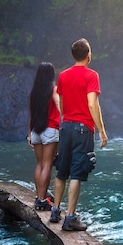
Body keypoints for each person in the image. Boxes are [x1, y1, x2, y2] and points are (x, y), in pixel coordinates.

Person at [50, 38, 108, 231]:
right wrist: (101, 130)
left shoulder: (63, 76)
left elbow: (62, 102)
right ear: (88, 55)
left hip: (65, 126)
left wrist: (65, 120)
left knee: (61, 170)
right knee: (77, 172)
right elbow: (92, 103)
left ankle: (55, 211)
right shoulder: (92, 75)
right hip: (83, 129)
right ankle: (71, 218)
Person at [27, 62, 60, 211]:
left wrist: (29, 134)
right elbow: (59, 106)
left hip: (36, 131)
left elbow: (31, 115)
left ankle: (39, 197)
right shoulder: (53, 89)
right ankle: (42, 200)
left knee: (40, 164)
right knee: (47, 165)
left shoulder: (34, 93)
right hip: (50, 130)